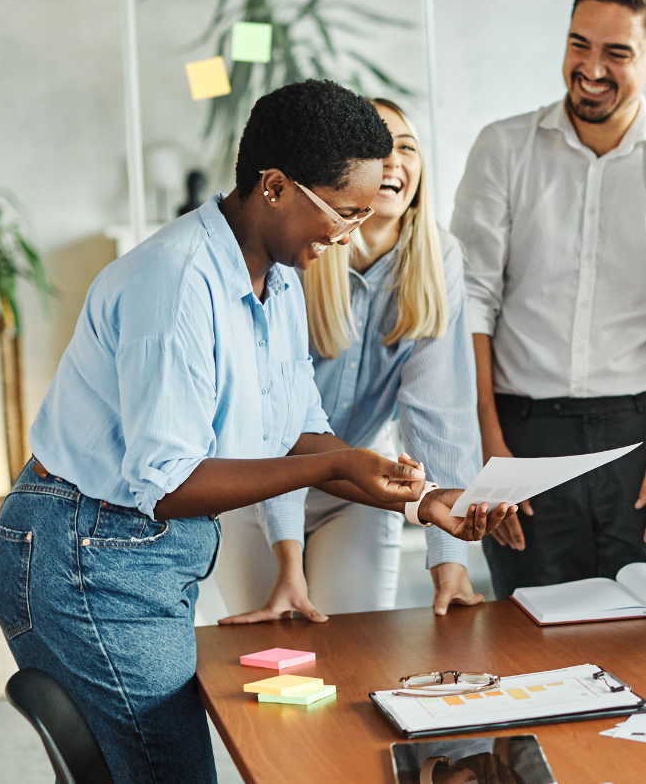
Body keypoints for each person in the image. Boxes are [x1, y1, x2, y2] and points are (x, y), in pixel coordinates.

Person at [0, 80, 514, 783]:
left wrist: (419, 499)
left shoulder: (280, 275)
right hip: (85, 554)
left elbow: (294, 428)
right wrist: (333, 469)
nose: (350, 235)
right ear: (273, 188)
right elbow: (171, 482)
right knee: (169, 771)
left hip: (138, 551)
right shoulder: (176, 283)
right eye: (345, 213)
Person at [452, 0, 646, 599]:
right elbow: (472, 301)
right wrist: (489, 442)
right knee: (535, 648)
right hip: (523, 439)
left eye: (617, 53)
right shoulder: (502, 150)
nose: (590, 68)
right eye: (578, 45)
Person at [205, 98, 486, 621]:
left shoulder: (438, 257)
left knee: (353, 646)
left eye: (407, 148)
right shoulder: (299, 249)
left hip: (359, 485)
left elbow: (440, 411)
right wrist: (288, 559)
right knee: (273, 655)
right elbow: (279, 427)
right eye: (378, 150)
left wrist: (451, 560)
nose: (394, 162)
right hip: (255, 483)